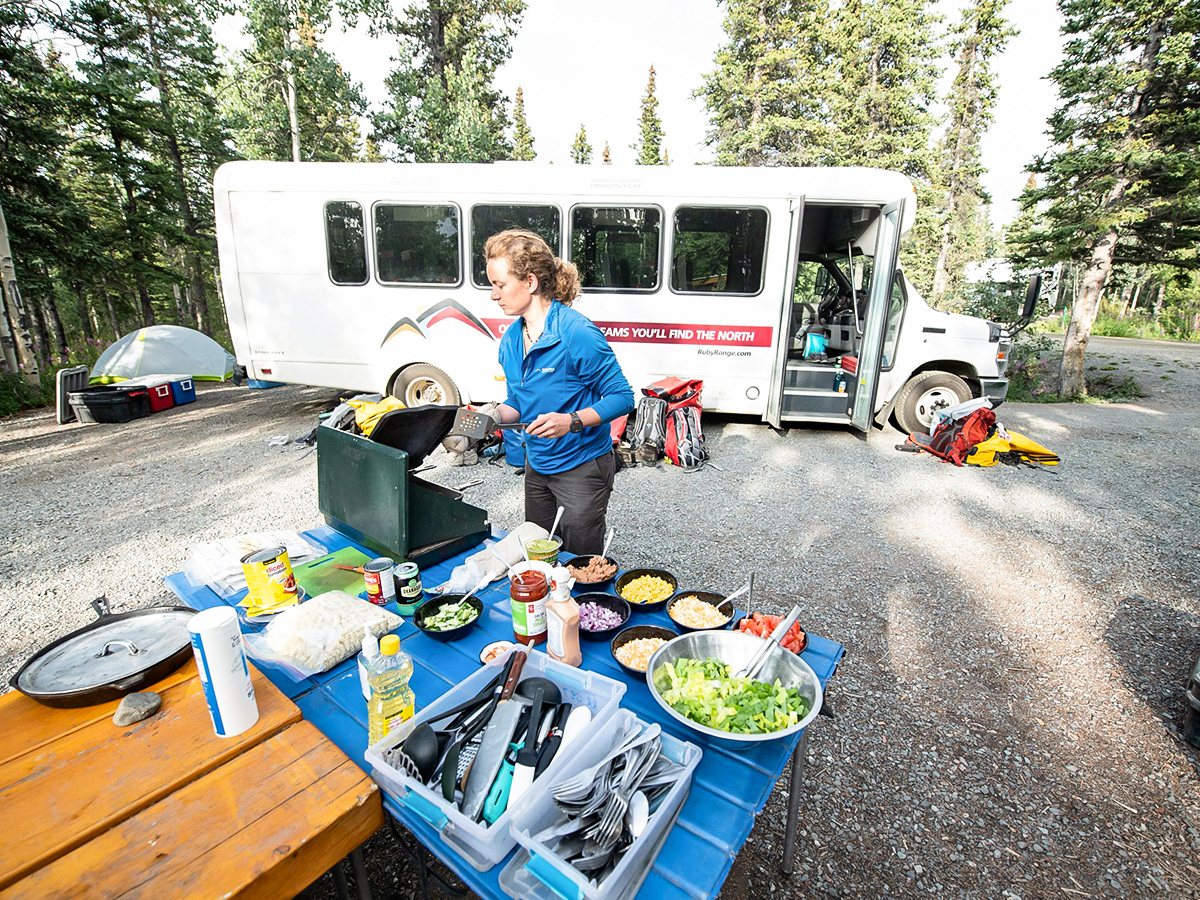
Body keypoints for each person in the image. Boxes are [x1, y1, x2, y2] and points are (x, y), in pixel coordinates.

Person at [484, 229, 635, 555]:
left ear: (530, 282)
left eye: (500, 284)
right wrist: (492, 416)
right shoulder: (511, 340)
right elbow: (518, 403)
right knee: (539, 554)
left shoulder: (575, 332)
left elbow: (623, 397)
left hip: (581, 468)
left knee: (578, 564)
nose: (494, 295)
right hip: (537, 466)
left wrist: (572, 422)